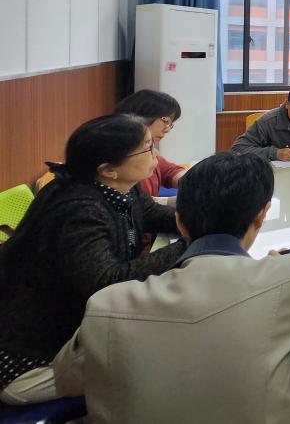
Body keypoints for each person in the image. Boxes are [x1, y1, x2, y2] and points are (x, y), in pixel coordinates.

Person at [52, 152, 290, 423]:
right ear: (262, 215)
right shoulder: (286, 278)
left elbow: (66, 379)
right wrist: (286, 269)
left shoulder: (106, 307)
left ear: (180, 223)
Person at [0, 115, 186, 405]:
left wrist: (205, 220)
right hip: (33, 359)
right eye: (148, 148)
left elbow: (152, 215)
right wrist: (187, 244)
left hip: (72, 331)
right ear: (108, 169)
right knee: (167, 359)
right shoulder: (79, 209)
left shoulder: (119, 187)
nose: (156, 155)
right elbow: (105, 282)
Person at [112, 89, 185, 199]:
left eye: (171, 124)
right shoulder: (120, 153)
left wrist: (193, 181)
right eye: (166, 121)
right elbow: (137, 205)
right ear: (141, 115)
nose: (167, 129)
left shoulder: (149, 151)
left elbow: (170, 171)